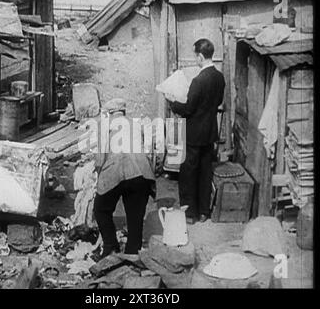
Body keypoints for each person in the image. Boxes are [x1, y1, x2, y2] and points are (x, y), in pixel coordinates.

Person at [167, 39, 225, 224]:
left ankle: (189, 213)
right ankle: (203, 212)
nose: (195, 59)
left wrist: (172, 102)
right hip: (209, 132)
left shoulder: (198, 81)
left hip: (193, 134)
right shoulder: (219, 77)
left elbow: (188, 109)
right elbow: (216, 103)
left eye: (195, 56)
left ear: (200, 56)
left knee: (188, 173)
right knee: (205, 172)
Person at [93, 99, 156, 259]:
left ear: (109, 113)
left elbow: (100, 159)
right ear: (123, 112)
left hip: (116, 170)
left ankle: (111, 246)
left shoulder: (104, 125)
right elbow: (147, 150)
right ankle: (132, 254)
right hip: (141, 172)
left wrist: (99, 176)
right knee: (135, 216)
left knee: (101, 209)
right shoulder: (135, 123)